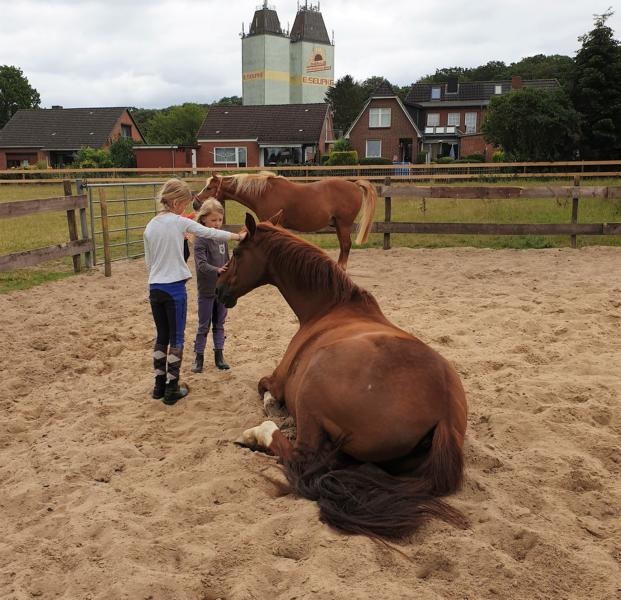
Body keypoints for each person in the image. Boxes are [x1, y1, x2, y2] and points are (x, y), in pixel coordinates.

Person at [143, 179, 245, 405]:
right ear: (176, 202)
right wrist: (238, 237)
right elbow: (210, 233)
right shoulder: (179, 222)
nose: (186, 209)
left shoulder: (150, 225)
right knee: (176, 338)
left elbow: (149, 263)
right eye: (185, 204)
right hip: (174, 289)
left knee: (161, 336)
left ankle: (158, 385)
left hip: (155, 288)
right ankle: (172, 388)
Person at [190, 198, 232, 373]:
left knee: (220, 323)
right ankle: (198, 357)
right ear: (203, 220)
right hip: (207, 290)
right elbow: (201, 265)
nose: (217, 224)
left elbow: (228, 260)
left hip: (221, 290)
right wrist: (218, 270)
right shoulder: (200, 240)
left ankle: (219, 356)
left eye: (220, 220)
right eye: (213, 220)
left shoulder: (222, 239)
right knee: (203, 325)